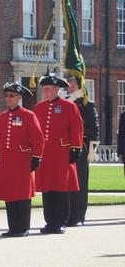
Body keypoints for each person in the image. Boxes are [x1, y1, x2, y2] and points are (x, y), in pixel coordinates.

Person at [34, 71, 83, 234]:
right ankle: (50, 221)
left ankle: (61, 221)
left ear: (56, 89)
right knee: (47, 190)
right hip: (45, 156)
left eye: (48, 89)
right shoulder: (38, 108)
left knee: (61, 189)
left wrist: (75, 149)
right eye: (44, 89)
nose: (46, 92)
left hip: (62, 154)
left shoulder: (69, 106)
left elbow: (76, 129)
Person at [0, 82, 44, 237]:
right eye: (7, 96)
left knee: (22, 194)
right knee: (9, 194)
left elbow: (38, 139)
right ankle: (13, 227)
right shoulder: (2, 116)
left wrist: (36, 157)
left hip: (22, 160)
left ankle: (23, 227)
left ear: (19, 97)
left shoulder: (28, 115)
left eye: (12, 96)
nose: (8, 99)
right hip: (7, 161)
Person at [65, 75, 100, 226]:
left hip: (81, 146)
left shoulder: (87, 103)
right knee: (66, 183)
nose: (68, 83)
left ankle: (78, 216)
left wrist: (92, 151)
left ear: (78, 83)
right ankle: (66, 215)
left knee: (80, 183)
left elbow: (94, 129)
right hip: (65, 147)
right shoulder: (66, 102)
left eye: (71, 80)